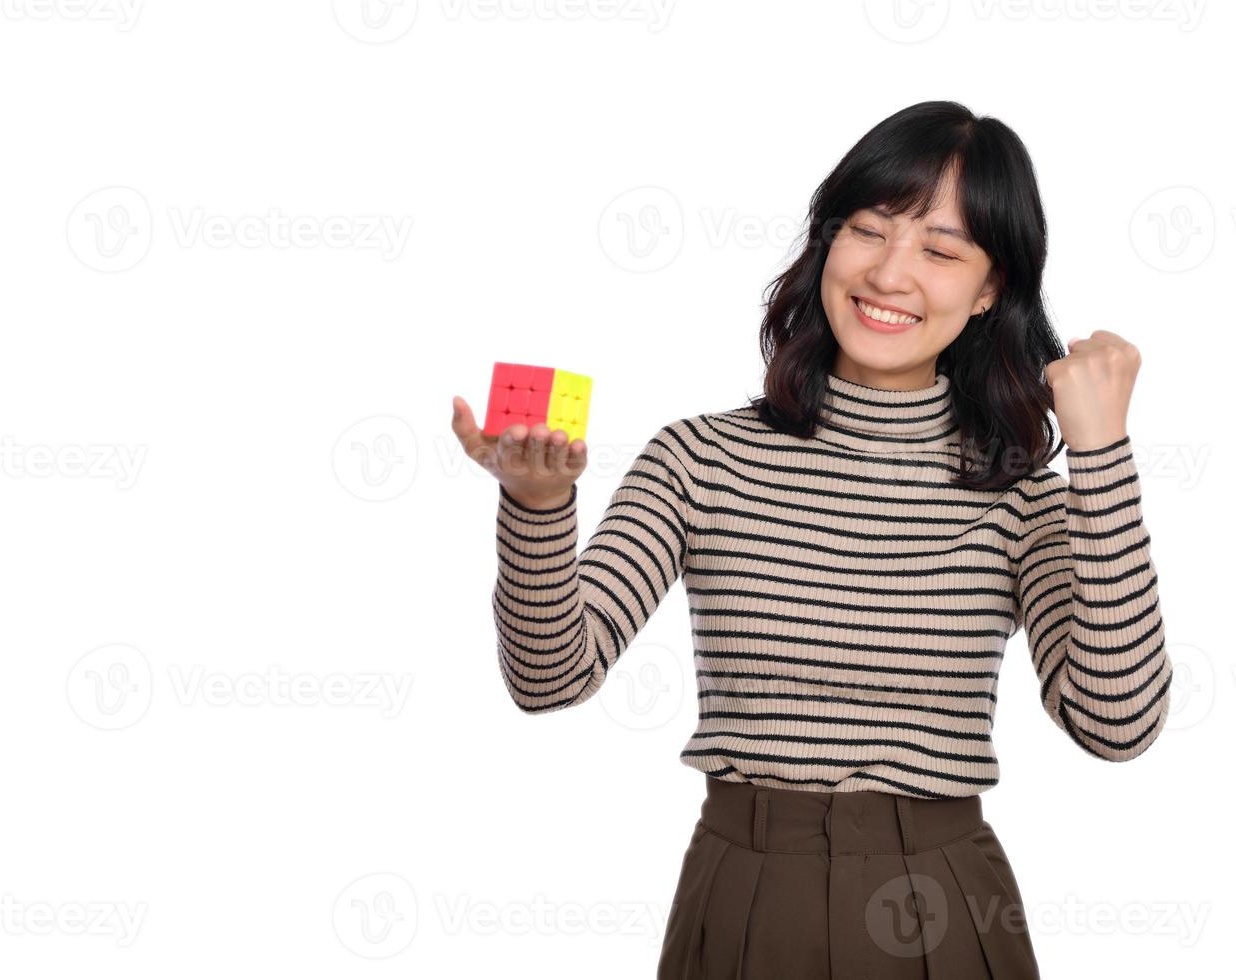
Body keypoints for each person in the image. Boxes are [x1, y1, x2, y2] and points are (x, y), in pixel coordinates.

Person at [451, 99, 1172, 979]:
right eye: (869, 230)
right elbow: (547, 677)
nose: (891, 273)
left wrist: (1101, 457)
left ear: (990, 289)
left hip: (942, 906)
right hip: (740, 896)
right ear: (828, 241)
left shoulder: (1018, 497)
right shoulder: (700, 459)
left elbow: (1119, 724)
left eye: (941, 250)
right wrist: (536, 505)